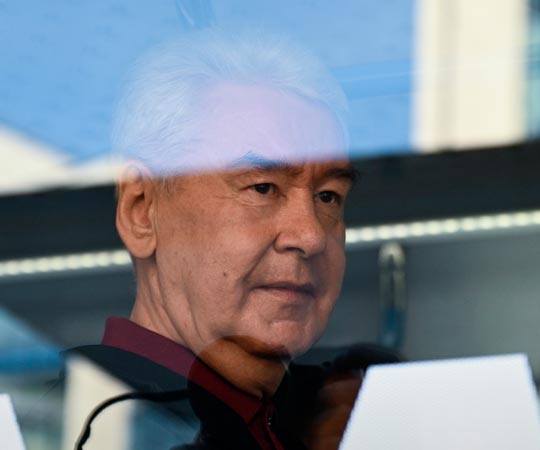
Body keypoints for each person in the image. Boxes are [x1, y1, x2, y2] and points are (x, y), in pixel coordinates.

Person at [63, 29, 372, 450]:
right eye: (262, 187)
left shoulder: (310, 426)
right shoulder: (96, 426)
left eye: (328, 196)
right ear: (142, 210)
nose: (311, 235)